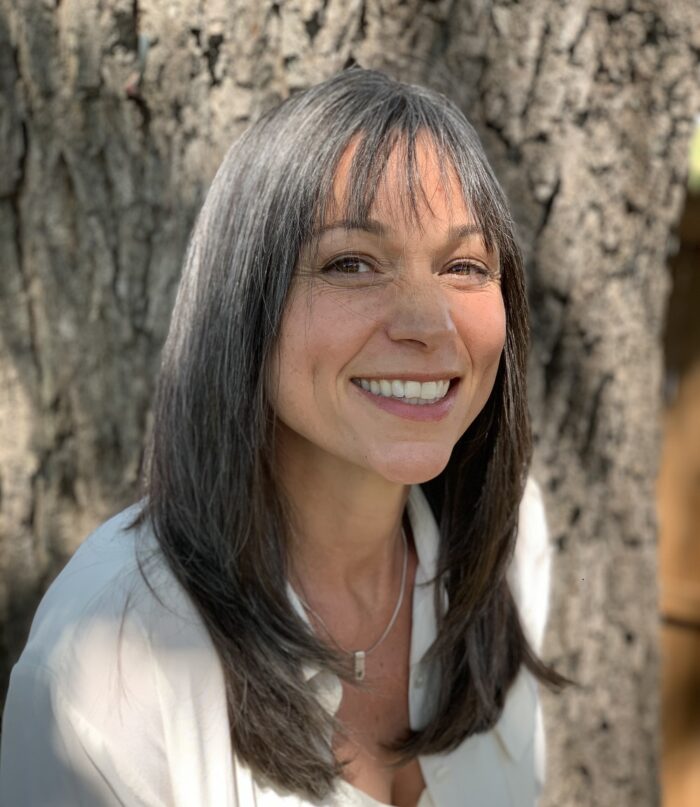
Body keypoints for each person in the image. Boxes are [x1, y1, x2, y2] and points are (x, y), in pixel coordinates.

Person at [0, 68, 563, 806]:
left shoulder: (512, 541)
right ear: (243, 306)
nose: (430, 325)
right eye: (353, 263)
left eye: (464, 265)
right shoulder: (104, 669)